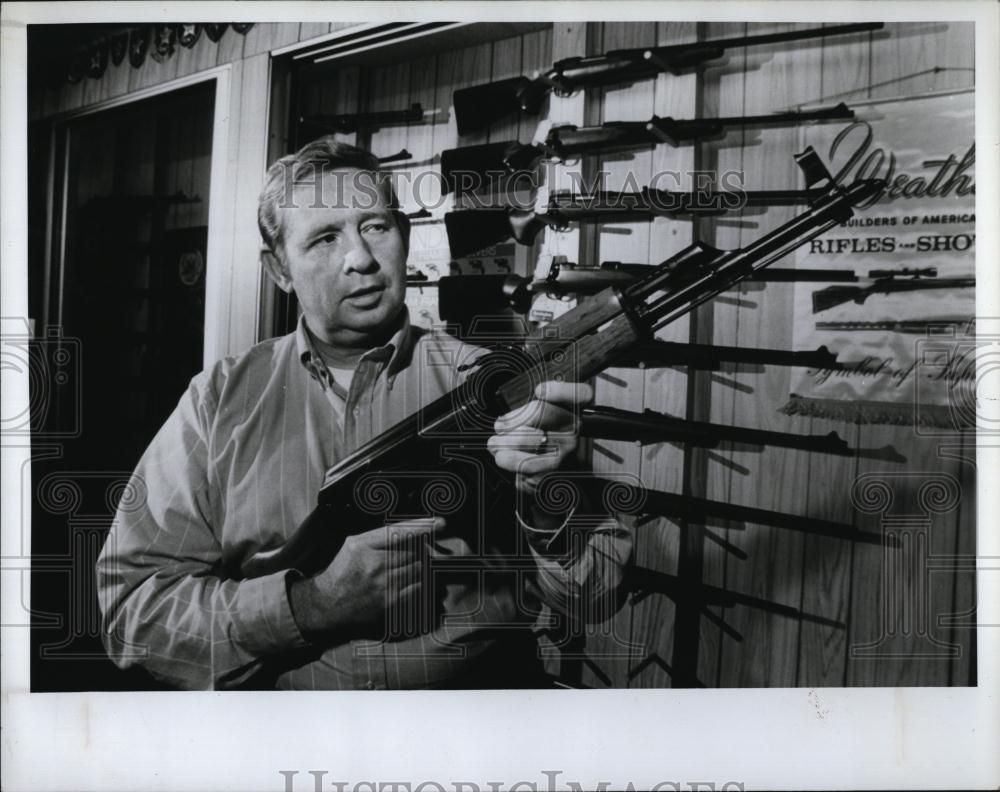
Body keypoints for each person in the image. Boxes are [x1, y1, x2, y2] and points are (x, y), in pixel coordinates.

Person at [96, 138, 632, 690]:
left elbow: (594, 600)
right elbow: (131, 614)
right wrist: (310, 605)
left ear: (403, 234)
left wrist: (545, 506)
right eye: (325, 238)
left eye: (375, 226)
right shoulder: (218, 401)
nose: (361, 258)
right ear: (279, 270)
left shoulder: (491, 386)